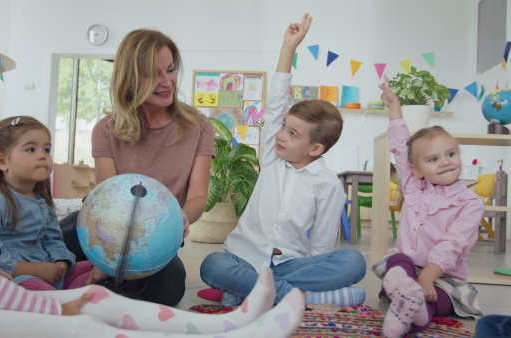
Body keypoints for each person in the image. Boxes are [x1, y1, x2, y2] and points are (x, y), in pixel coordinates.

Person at [0, 48, 306, 338]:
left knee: (96, 300)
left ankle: (228, 323)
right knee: (81, 322)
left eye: (171, 71)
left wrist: (60, 280)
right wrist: (49, 304)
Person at [199, 13, 367, 308]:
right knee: (213, 266)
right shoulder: (272, 157)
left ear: (315, 149)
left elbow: (322, 244)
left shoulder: (328, 184)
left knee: (353, 262)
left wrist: (314, 269)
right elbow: (276, 102)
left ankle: (250, 293)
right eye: (283, 127)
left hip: (292, 265)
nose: (281, 136)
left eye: (293, 133)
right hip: (245, 258)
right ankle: (300, 297)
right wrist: (288, 48)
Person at [78, 27, 216, 306]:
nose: (166, 82)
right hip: (109, 232)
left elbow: (198, 197)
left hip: (154, 239)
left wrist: (182, 218)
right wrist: (104, 259)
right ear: (129, 79)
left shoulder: (199, 126)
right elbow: (106, 199)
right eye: (152, 74)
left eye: (170, 70)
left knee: (168, 291)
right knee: (55, 238)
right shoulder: (106, 130)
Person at [373, 75, 484, 338]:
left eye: (450, 154)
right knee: (397, 260)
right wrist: (394, 110)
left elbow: (452, 244)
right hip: (409, 269)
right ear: (417, 170)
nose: (445, 162)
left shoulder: (470, 203)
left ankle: (419, 310)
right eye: (433, 159)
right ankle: (404, 291)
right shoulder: (413, 187)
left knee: (445, 299)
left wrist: (427, 279)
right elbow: (401, 148)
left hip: (444, 275)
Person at [0, 116, 94, 291]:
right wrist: (36, 270)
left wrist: (60, 262)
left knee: (98, 270)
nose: (42, 156)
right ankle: (65, 303)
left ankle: (75, 298)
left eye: (46, 149)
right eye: (31, 149)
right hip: (13, 278)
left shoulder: (42, 201)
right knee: (37, 287)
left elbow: (53, 239)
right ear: (2, 161)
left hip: (48, 272)